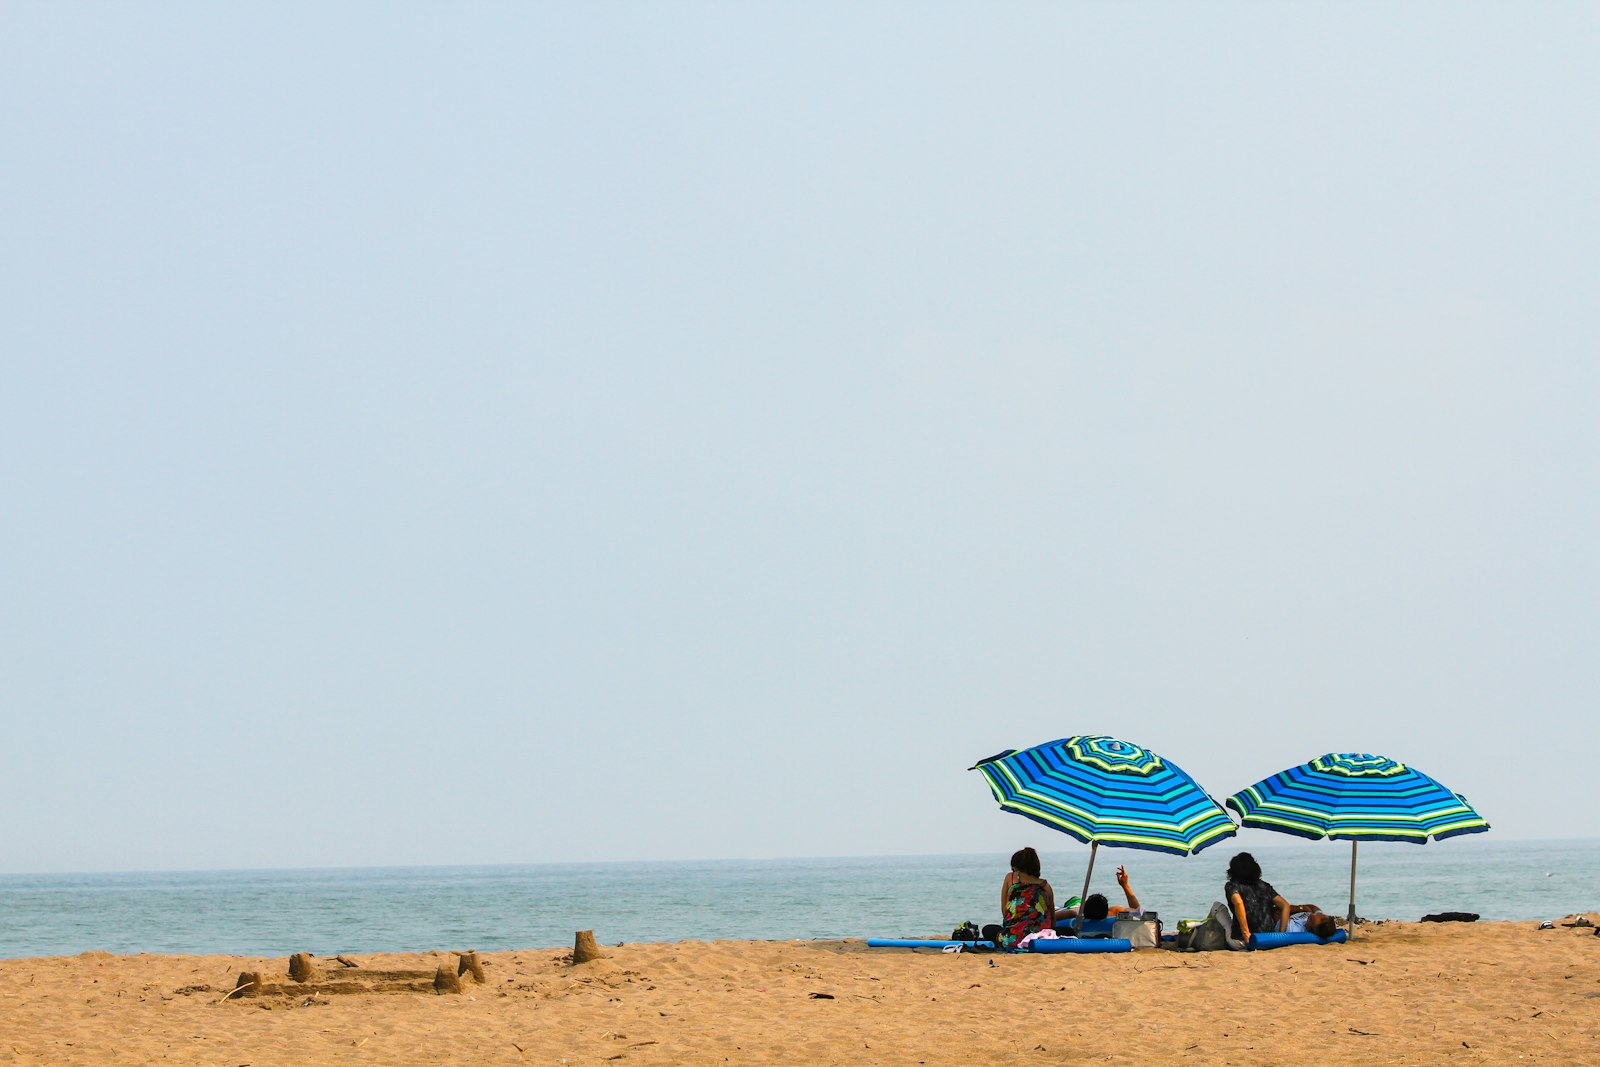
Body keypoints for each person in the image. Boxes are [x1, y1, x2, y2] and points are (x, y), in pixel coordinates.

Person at [997, 847, 1056, 950]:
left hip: (1013, 939)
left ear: (1015, 867)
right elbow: (1052, 919)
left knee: (988, 930)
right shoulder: (1046, 886)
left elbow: (1005, 912)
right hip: (1041, 939)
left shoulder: (1010, 878)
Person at [1224, 852, 1290, 941]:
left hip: (1243, 940)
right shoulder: (1264, 886)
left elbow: (1238, 903)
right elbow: (1285, 905)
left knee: (1217, 907)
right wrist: (1281, 934)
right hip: (1268, 938)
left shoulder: (1232, 885)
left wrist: (1246, 933)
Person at [1054, 865, 1143, 927]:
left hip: (1076, 904)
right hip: (1077, 904)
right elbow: (1139, 912)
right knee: (1076, 900)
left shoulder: (1075, 913)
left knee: (1076, 900)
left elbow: (1050, 917)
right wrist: (1125, 885)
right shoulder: (1112, 912)